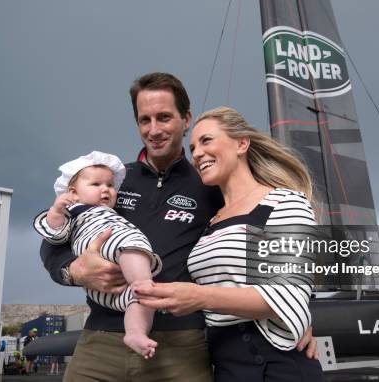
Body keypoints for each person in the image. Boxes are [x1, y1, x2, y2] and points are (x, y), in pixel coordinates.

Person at [40, 72, 318, 381]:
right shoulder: (110, 182)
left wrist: (299, 313)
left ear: (186, 119)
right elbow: (54, 236)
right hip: (102, 339)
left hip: (181, 347)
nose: (154, 129)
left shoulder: (211, 185)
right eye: (145, 120)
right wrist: (74, 271)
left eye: (164, 117)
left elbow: (286, 254)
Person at [136, 106, 324, 381]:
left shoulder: (283, 203)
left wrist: (199, 298)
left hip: (274, 362)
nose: (197, 153)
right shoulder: (211, 221)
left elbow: (287, 294)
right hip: (222, 363)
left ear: (242, 143)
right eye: (192, 147)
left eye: (206, 141)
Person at [34, 151, 162, 358]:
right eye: (96, 185)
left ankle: (135, 332)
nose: (106, 190)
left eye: (110, 186)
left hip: (116, 281)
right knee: (132, 248)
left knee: (140, 300)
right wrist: (57, 210)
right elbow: (53, 237)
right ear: (73, 192)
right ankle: (143, 281)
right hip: (102, 246)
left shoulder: (111, 210)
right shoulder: (74, 211)